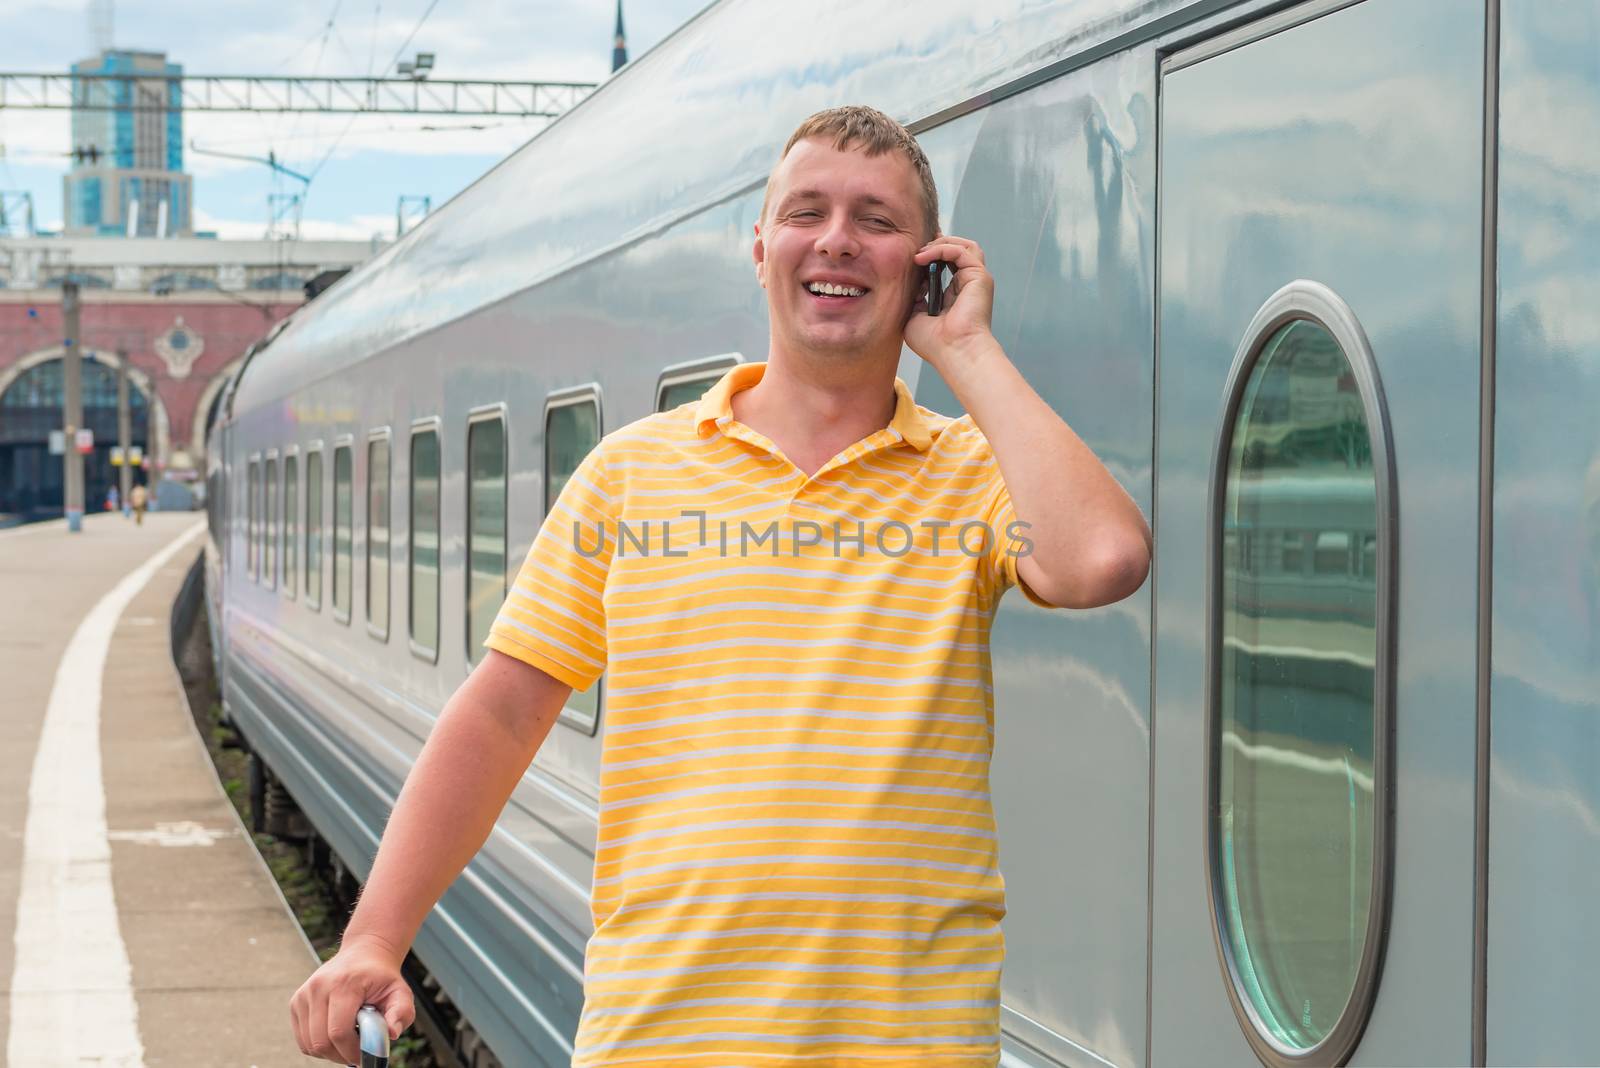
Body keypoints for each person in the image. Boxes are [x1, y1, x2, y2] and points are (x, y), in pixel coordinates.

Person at [290, 105, 1151, 1066]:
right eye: (806, 211)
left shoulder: (973, 474)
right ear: (760, 247)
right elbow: (499, 716)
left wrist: (967, 350)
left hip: (907, 1045)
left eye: (877, 220)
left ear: (927, 265)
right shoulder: (632, 474)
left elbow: (1101, 560)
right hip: (663, 1037)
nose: (836, 240)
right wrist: (375, 937)